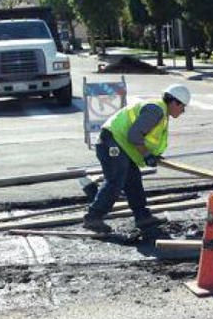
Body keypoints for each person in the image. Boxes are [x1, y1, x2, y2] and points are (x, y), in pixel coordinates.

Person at [82, 84, 191, 233]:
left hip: (120, 145)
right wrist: (146, 155)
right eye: (182, 106)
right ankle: (93, 217)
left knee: (133, 180)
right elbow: (134, 135)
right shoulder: (156, 110)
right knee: (115, 180)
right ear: (174, 102)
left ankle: (142, 216)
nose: (183, 111)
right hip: (112, 143)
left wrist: (151, 154)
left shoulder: (160, 111)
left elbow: (144, 136)